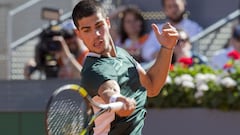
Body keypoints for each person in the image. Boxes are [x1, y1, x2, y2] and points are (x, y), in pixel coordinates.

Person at [71, 0, 178, 134]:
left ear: (108, 23)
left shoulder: (123, 54)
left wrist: (167, 48)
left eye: (99, 25)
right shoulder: (93, 71)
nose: (96, 34)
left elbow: (152, 87)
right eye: (87, 30)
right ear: (79, 34)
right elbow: (108, 91)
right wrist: (117, 99)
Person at [24, 20, 88, 79]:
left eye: (71, 35)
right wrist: (34, 62)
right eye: (65, 37)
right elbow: (45, 60)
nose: (70, 41)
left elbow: (84, 79)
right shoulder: (60, 58)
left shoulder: (88, 56)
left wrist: (66, 55)